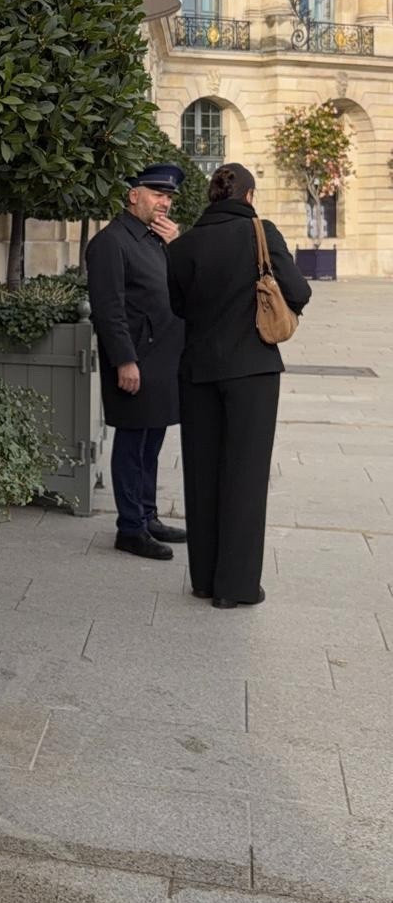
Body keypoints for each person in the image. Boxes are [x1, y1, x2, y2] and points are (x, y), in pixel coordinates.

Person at [166, 162, 311, 608]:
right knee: (245, 476)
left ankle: (205, 580)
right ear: (248, 196)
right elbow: (299, 293)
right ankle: (238, 586)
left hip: (199, 371)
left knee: (202, 472)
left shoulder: (183, 245)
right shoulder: (260, 232)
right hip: (252, 371)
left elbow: (179, 308)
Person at [85, 163, 188, 560]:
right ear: (134, 196)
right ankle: (130, 527)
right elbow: (108, 309)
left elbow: (181, 285)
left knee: (151, 442)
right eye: (158, 195)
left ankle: (148, 515)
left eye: (168, 198)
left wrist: (177, 242)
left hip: (163, 358)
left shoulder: (157, 238)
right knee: (131, 443)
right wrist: (124, 361)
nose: (165, 203)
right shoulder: (111, 242)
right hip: (136, 360)